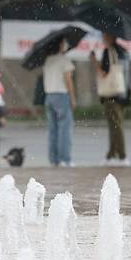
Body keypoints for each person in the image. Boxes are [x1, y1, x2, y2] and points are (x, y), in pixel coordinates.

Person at [90, 32, 130, 166]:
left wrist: (94, 61)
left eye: (104, 36)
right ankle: (111, 154)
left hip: (112, 94)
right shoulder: (124, 51)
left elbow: (103, 73)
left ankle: (122, 156)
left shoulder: (109, 51)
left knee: (115, 126)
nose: (103, 39)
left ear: (110, 37)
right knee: (116, 125)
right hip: (123, 93)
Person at [43, 38, 76, 167]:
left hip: (49, 96)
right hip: (61, 95)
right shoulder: (64, 60)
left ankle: (53, 159)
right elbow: (68, 80)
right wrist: (72, 97)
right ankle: (65, 159)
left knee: (53, 130)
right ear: (61, 45)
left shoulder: (48, 60)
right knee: (64, 129)